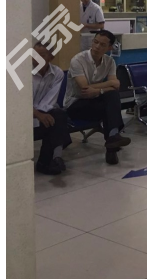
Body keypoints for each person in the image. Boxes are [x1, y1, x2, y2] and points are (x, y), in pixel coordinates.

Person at [64, 30, 130, 165]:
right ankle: (112, 140)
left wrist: (98, 90)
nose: (97, 46)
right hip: (75, 104)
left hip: (94, 101)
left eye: (102, 45)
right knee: (110, 107)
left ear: (109, 48)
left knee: (112, 98)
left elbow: (116, 86)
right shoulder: (78, 60)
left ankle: (112, 139)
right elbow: (84, 88)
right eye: (95, 42)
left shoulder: (109, 61)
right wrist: (107, 85)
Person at [32, 42, 71, 175]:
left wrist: (41, 114)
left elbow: (49, 100)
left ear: (51, 57)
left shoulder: (57, 73)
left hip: (42, 115)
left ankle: (52, 160)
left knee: (58, 115)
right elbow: (18, 103)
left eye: (42, 55)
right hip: (22, 119)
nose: (36, 58)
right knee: (56, 120)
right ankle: (53, 159)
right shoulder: (23, 73)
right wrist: (37, 114)